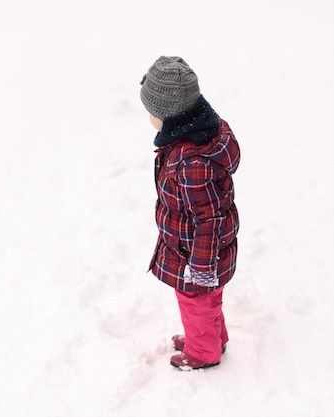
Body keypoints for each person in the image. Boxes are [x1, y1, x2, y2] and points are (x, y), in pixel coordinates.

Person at [140, 56, 240, 370]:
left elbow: (209, 219)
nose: (149, 120)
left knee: (196, 302)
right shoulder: (197, 136)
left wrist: (200, 267)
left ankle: (203, 351)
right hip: (199, 251)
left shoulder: (193, 161)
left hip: (197, 255)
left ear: (170, 116)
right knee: (207, 303)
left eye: (152, 114)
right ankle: (211, 337)